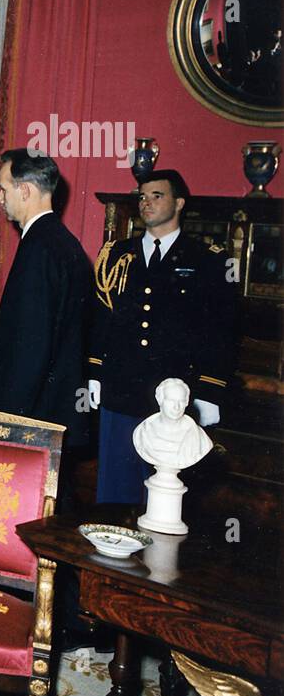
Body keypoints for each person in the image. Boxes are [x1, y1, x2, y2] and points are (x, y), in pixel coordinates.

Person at [88, 170, 236, 503]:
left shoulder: (208, 260)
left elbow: (220, 330)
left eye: (157, 196)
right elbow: (100, 318)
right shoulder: (117, 255)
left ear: (179, 203)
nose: (147, 203)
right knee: (115, 489)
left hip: (175, 397)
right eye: (142, 196)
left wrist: (210, 391)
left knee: (165, 495)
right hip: (121, 389)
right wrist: (94, 373)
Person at [0, 149, 93, 447]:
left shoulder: (38, 249)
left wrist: (6, 421)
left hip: (30, 420)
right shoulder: (65, 244)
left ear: (25, 190)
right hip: (53, 412)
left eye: (3, 190)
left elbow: (29, 346)